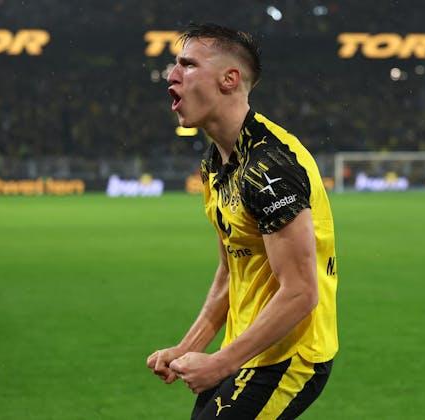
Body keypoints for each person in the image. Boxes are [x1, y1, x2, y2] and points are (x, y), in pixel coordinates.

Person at [146, 23, 339, 419]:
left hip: (289, 356)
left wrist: (220, 363)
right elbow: (231, 270)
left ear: (229, 79)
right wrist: (189, 347)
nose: (172, 75)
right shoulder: (215, 163)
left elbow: (301, 291)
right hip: (248, 348)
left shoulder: (271, 167)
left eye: (188, 64)